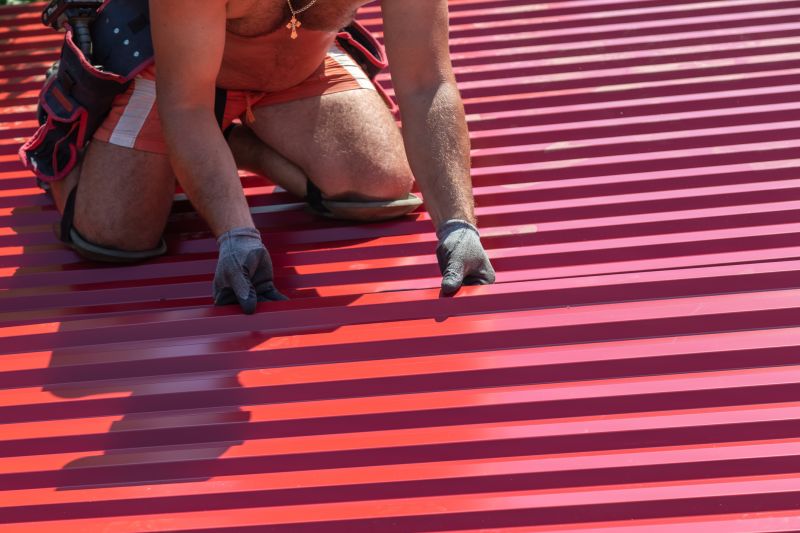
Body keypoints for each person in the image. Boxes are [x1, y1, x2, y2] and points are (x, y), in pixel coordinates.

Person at [37, 0, 496, 314]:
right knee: (111, 239)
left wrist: (459, 225)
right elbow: (187, 105)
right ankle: (78, 118)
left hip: (299, 61)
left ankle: (232, 144)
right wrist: (237, 235)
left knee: (380, 187)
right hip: (172, 71)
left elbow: (426, 83)